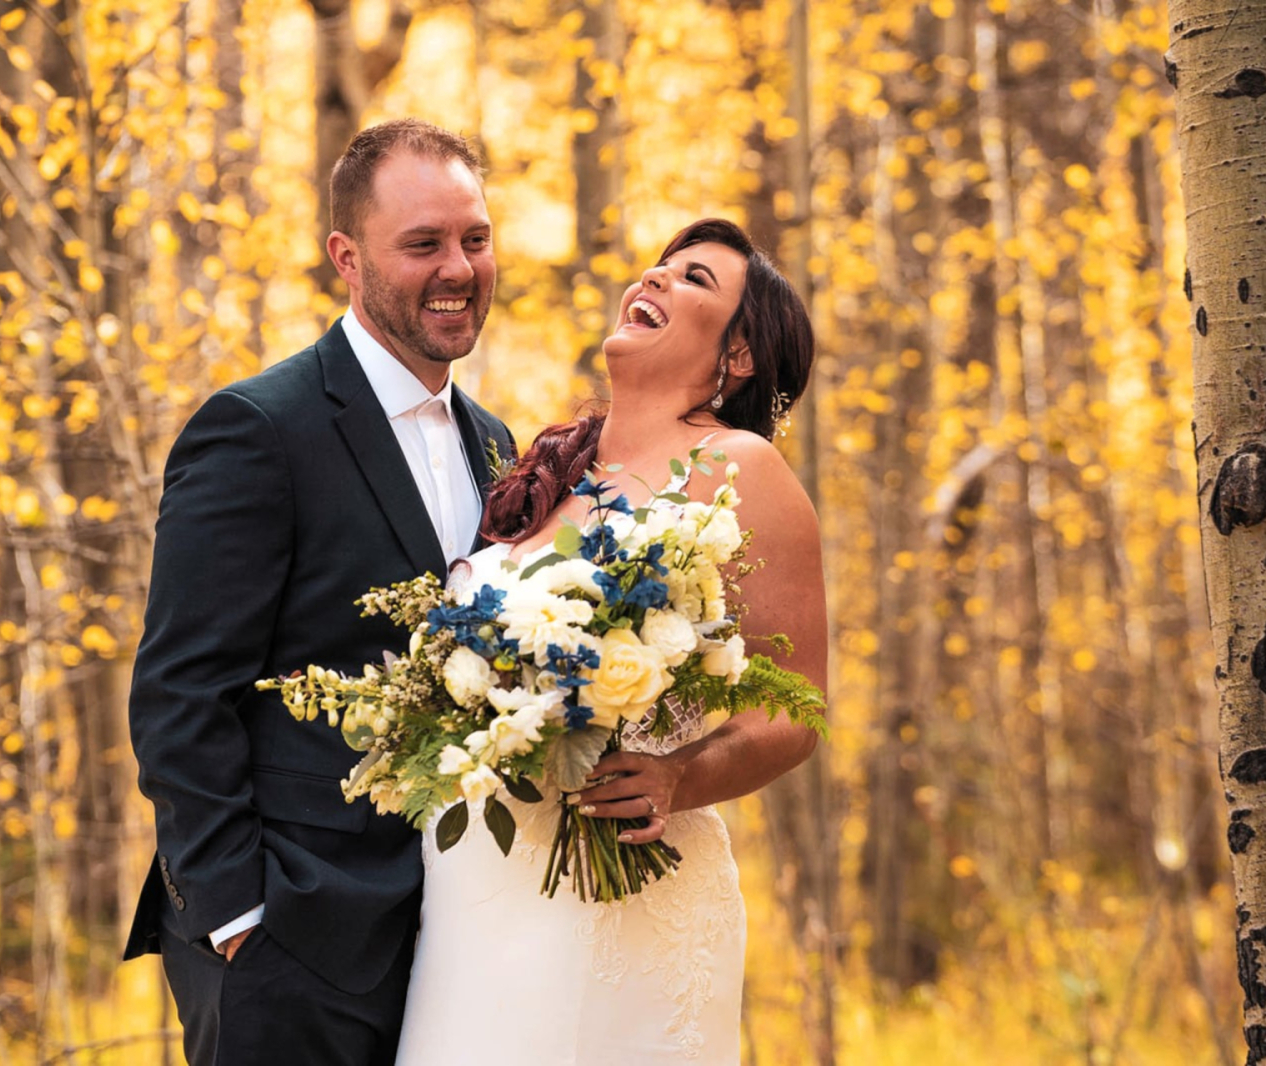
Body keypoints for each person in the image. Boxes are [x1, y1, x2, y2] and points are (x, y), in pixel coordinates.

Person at [124, 118, 516, 1066]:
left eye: (474, 238)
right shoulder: (257, 428)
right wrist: (237, 916)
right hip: (289, 941)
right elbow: (181, 692)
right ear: (347, 257)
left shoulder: (495, 443)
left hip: (454, 943)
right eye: (422, 244)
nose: (458, 268)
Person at [393, 218, 827, 1065]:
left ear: (738, 354)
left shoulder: (739, 469)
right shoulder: (548, 467)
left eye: (694, 278)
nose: (655, 278)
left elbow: (794, 710)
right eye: (659, 267)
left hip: (620, 883)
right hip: (475, 889)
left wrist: (679, 774)